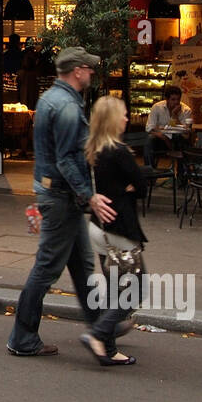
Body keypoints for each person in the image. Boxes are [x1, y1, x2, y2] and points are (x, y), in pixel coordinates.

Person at [6, 47, 116, 358]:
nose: (92, 73)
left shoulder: (49, 99)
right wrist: (89, 196)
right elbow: (68, 160)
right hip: (62, 198)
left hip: (54, 193)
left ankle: (101, 327)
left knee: (82, 265)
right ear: (77, 71)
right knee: (46, 267)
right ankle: (23, 337)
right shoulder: (67, 106)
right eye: (88, 68)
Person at [82, 95, 146, 366]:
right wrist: (129, 188)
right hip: (120, 229)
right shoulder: (119, 151)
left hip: (97, 228)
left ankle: (108, 349)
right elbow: (141, 184)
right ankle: (98, 334)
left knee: (112, 289)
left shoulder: (93, 149)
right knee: (135, 290)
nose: (127, 118)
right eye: (123, 114)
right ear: (112, 120)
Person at [145, 84, 193, 166]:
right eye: (173, 99)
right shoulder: (157, 107)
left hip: (178, 140)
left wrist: (175, 115)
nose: (176, 102)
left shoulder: (186, 110)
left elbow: (185, 132)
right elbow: (149, 127)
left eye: (178, 99)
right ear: (167, 99)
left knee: (180, 139)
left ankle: (181, 173)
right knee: (149, 140)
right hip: (161, 139)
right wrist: (163, 137)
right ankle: (150, 170)